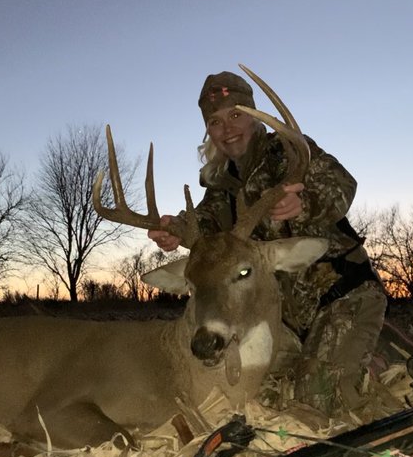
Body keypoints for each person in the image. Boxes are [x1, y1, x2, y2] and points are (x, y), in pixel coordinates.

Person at [148, 70, 387, 419]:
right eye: (215, 122)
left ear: (254, 115)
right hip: (284, 321)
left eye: (235, 115)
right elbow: (208, 230)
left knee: (316, 399)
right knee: (258, 395)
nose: (227, 129)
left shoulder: (288, 152)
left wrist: (306, 204)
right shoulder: (220, 184)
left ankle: (372, 364)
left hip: (341, 296)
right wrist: (176, 231)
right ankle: (350, 355)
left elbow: (342, 184)